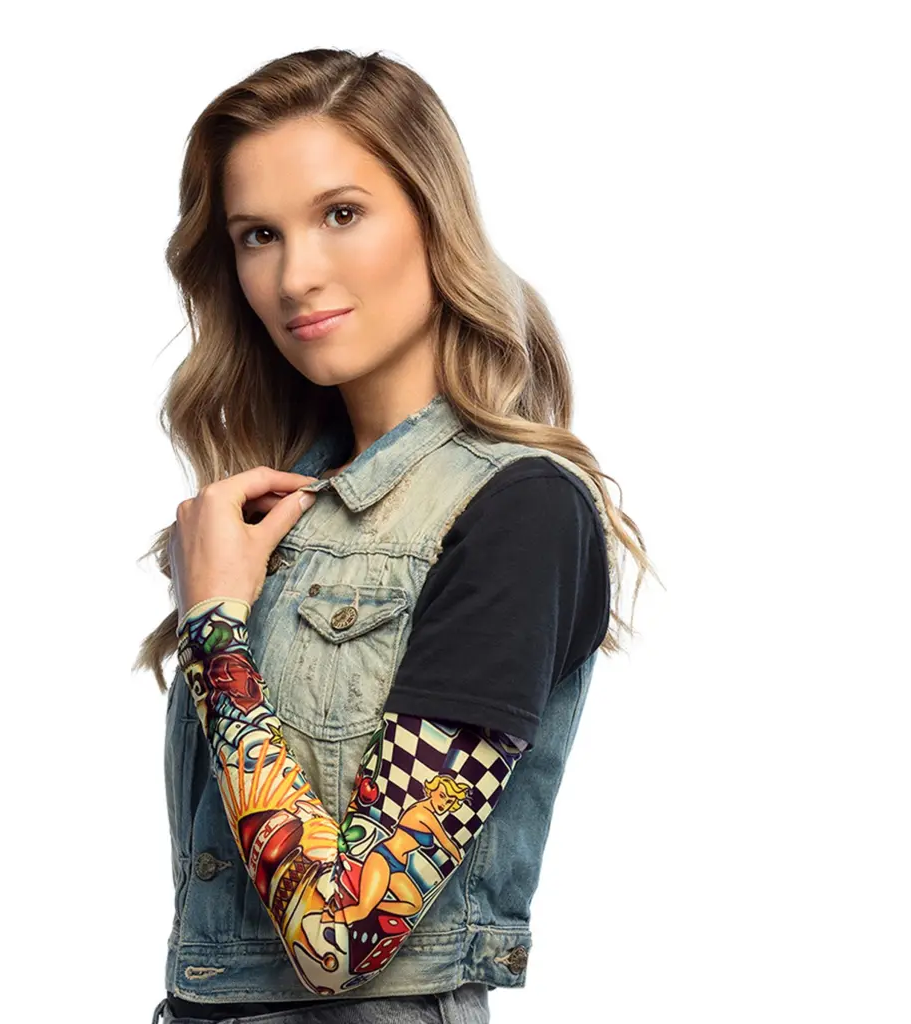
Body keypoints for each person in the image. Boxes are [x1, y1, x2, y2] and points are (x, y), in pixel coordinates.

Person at [134, 47, 654, 1024]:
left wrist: (215, 631)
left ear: (431, 215)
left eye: (341, 214)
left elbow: (344, 934)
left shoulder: (519, 511)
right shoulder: (274, 513)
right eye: (258, 235)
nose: (296, 276)